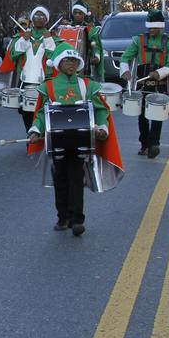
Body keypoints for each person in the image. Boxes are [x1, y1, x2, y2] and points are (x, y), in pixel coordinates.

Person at [27, 43, 122, 236]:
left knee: (76, 178)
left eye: (74, 60)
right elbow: (40, 114)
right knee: (61, 179)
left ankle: (78, 219)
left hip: (81, 141)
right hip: (58, 142)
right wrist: (36, 130)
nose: (71, 64)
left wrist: (102, 128)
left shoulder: (88, 85)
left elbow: (101, 109)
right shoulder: (48, 86)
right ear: (58, 64)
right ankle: (63, 218)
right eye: (67, 60)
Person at [120, 10, 169, 159]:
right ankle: (144, 144)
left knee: (157, 114)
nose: (151, 30)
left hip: (160, 81)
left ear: (161, 27)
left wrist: (158, 73)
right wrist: (125, 72)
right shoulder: (138, 41)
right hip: (142, 81)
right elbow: (125, 58)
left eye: (154, 28)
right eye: (150, 27)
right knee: (142, 115)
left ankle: (154, 144)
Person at [11, 6, 60, 131]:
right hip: (25, 81)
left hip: (45, 81)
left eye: (42, 16)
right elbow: (13, 55)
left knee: (43, 111)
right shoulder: (22, 36)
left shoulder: (53, 38)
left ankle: (41, 136)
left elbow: (54, 58)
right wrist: (24, 40)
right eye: (36, 16)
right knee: (26, 112)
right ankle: (30, 135)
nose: (39, 18)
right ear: (32, 19)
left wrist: (48, 39)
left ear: (47, 20)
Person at [69, 0, 105, 81]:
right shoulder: (66, 28)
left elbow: (94, 44)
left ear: (84, 14)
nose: (77, 15)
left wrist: (96, 55)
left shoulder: (90, 30)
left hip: (85, 66)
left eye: (80, 13)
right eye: (75, 13)